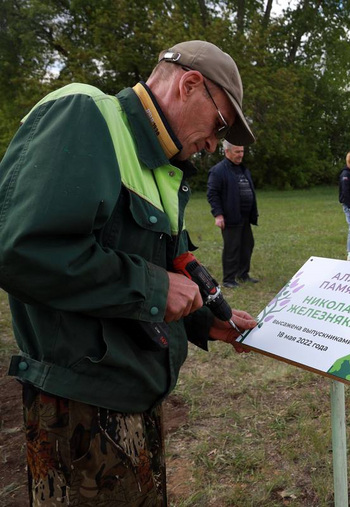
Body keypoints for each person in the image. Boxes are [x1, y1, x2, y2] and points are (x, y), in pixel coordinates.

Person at [0, 40, 258, 503]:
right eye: (220, 124)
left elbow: (160, 260)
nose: (216, 144)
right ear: (190, 84)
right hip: (79, 408)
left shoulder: (162, 166)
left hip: (133, 399)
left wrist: (206, 319)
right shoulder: (85, 115)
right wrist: (155, 286)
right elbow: (22, 251)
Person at [207, 140, 259, 287]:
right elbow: (212, 194)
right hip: (230, 217)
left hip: (245, 217)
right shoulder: (218, 171)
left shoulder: (243, 169)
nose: (241, 154)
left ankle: (243, 274)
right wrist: (218, 215)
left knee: (247, 245)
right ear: (227, 152)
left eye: (242, 151)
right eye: (237, 152)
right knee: (232, 247)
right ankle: (228, 279)